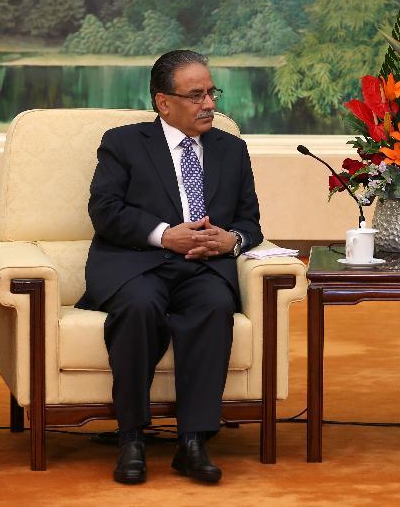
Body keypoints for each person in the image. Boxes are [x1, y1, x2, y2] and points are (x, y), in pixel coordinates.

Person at [76, 50, 263, 485]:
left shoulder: (231, 150)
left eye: (211, 93)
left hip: (203, 269)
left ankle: (193, 441)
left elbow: (250, 222)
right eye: (196, 95)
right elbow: (104, 211)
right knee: (139, 308)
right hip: (137, 265)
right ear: (164, 102)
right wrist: (165, 234)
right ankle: (131, 439)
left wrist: (231, 240)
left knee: (215, 305)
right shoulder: (123, 143)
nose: (209, 104)